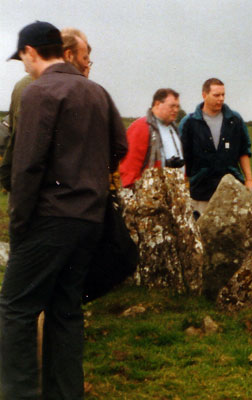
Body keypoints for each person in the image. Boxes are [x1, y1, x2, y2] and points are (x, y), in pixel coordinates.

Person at [0, 21, 128, 398]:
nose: (23, 65)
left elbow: (27, 166)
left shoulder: (41, 92)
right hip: (90, 219)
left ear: (30, 52)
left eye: (22, 57)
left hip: (50, 219)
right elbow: (119, 148)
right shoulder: (97, 92)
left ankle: (20, 394)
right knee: (66, 309)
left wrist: (19, 225)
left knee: (15, 307)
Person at [0, 27, 90, 191]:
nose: (87, 65)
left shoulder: (26, 86)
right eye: (85, 58)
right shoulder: (33, 88)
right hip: (49, 191)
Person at [179, 78, 252, 215]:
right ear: (204, 95)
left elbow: (244, 151)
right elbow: (182, 156)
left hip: (232, 190)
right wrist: (180, 186)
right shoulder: (189, 123)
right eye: (216, 95)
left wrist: (249, 180)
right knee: (201, 233)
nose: (221, 99)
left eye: (223, 95)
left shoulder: (235, 120)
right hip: (201, 191)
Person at [119, 88, 185, 188]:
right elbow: (129, 167)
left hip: (174, 193)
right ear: (158, 104)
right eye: (172, 106)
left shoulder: (174, 129)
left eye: (177, 106)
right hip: (149, 195)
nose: (176, 110)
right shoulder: (141, 127)